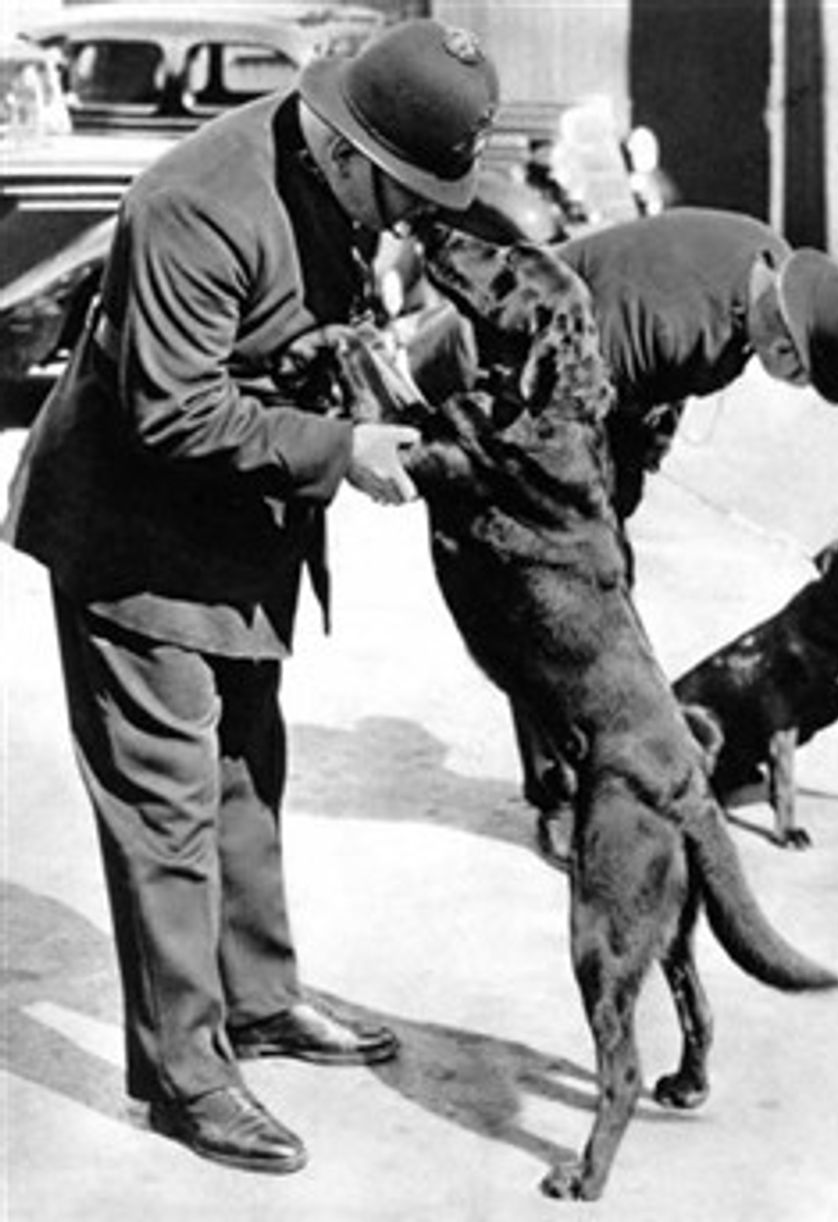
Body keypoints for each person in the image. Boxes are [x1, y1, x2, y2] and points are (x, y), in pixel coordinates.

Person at [1, 19, 498, 1174]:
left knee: (241, 778)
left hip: (236, 532)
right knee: (166, 811)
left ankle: (260, 998)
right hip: (134, 539)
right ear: (343, 146)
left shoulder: (337, 179)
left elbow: (305, 324)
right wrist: (342, 448)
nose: (414, 212)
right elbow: (170, 411)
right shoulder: (194, 202)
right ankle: (182, 1071)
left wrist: (371, 361)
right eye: (407, 188)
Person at [407, 206, 838, 857]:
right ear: (786, 326)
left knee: (605, 594)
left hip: (594, 391)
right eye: (799, 368)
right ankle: (562, 799)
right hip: (494, 379)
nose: (790, 381)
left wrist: (628, 485)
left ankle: (601, 775)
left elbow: (648, 404)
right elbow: (557, 427)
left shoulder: (761, 264)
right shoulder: (676, 323)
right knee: (549, 606)